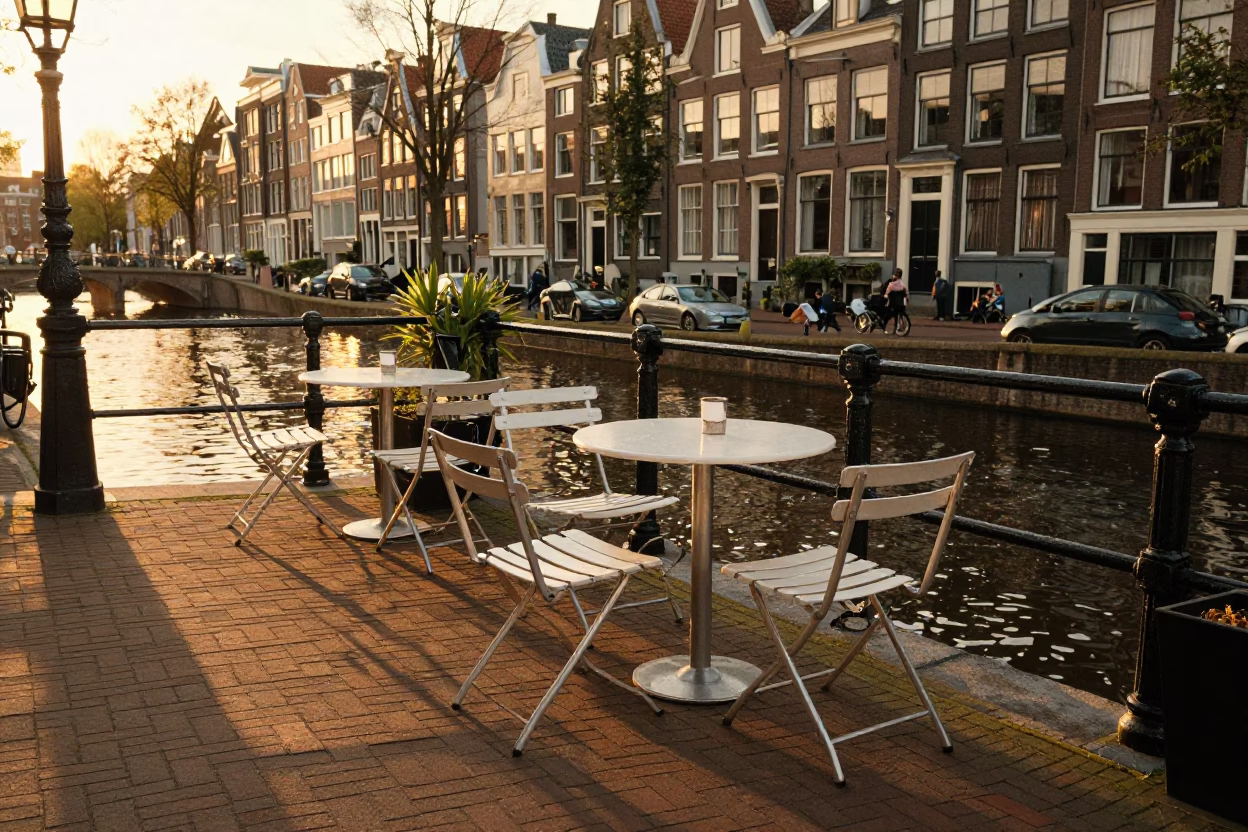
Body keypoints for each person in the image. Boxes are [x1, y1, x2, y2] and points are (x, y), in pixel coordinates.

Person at [885, 268, 908, 335]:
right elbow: (906, 294)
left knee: (889, 314)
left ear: (895, 275)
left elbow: (887, 293)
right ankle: (900, 327)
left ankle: (886, 326)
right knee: (900, 315)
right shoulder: (903, 284)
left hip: (893, 304)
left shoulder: (891, 284)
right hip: (901, 303)